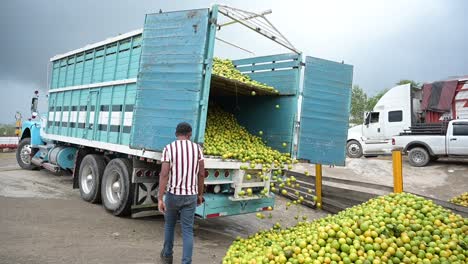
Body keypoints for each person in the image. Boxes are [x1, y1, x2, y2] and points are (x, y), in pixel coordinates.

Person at [158, 122, 205, 264]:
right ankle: (186, 262)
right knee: (187, 230)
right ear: (190, 134)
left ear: (176, 134)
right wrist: (200, 194)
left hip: (172, 195)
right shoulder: (197, 149)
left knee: (169, 226)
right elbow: (201, 173)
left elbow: (164, 174)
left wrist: (160, 198)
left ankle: (167, 256)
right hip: (190, 196)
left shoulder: (168, 148)